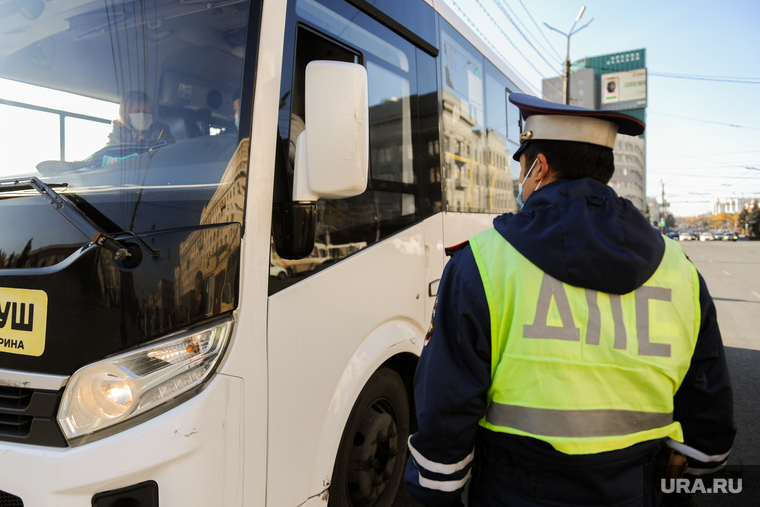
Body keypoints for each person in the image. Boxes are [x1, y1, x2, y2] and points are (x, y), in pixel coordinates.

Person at [404, 94, 735, 507]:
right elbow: (711, 430)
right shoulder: (680, 270)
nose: (519, 177)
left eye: (520, 165)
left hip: (514, 493)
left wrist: (437, 493)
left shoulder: (482, 263)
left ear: (538, 168)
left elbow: (446, 408)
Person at [108, 91, 174, 147]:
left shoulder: (163, 131)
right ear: (126, 114)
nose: (142, 115)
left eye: (146, 112)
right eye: (137, 111)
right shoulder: (117, 133)